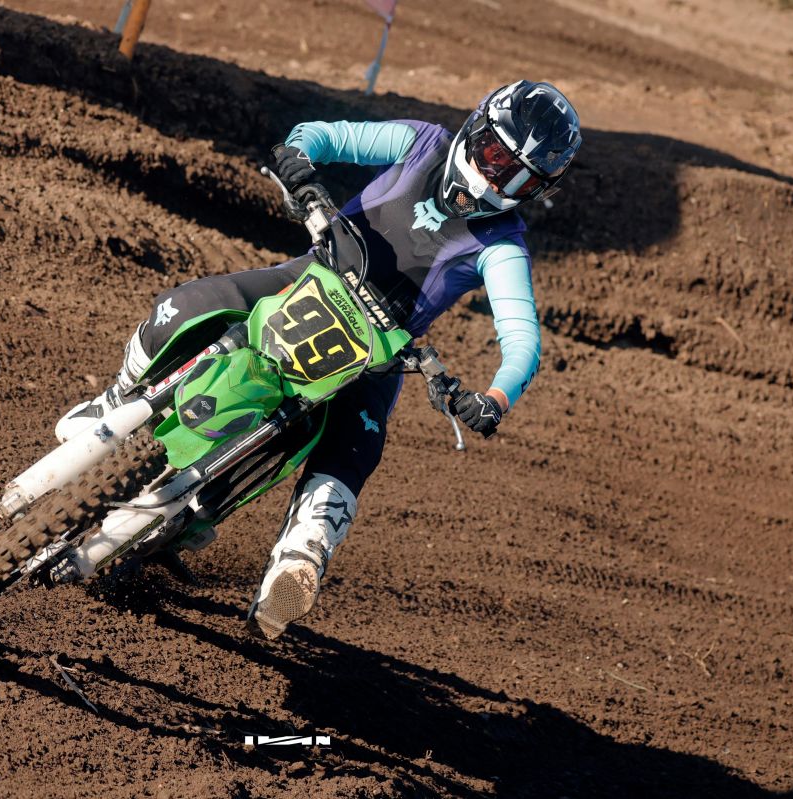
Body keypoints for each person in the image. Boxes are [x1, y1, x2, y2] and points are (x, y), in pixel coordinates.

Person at [55, 80, 582, 639]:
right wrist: (299, 160)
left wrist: (495, 398)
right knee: (186, 304)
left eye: (519, 178)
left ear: (537, 189)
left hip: (381, 350)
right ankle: (116, 399)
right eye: (497, 157)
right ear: (477, 129)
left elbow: (522, 340)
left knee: (357, 445)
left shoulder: (502, 245)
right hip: (310, 277)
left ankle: (301, 557)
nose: (497, 180)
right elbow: (326, 135)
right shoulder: (422, 143)